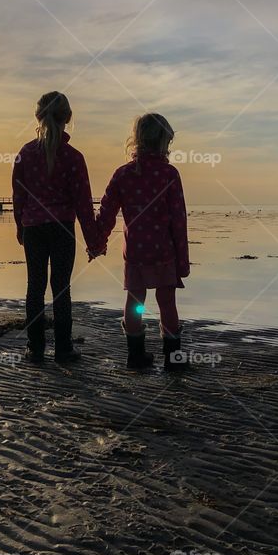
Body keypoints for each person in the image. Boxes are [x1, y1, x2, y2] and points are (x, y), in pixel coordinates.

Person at [90, 113, 189, 370]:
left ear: (137, 140)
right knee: (167, 303)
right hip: (164, 251)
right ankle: (173, 358)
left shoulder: (123, 174)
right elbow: (179, 221)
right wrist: (183, 261)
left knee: (135, 303)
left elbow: (107, 212)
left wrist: (97, 242)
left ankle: (135, 356)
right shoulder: (169, 174)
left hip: (135, 251)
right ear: (164, 142)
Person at [12, 91, 100, 364]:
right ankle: (63, 348)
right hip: (62, 227)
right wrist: (94, 240)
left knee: (34, 287)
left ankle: (35, 348)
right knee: (61, 287)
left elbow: (18, 195)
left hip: (34, 227)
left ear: (37, 117)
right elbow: (84, 203)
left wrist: (20, 226)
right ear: (69, 118)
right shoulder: (74, 157)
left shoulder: (25, 153)